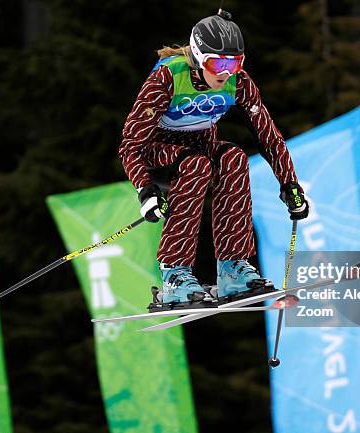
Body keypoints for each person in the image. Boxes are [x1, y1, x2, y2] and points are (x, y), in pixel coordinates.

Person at [118, 10, 309, 309]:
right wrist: (145, 190)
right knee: (196, 164)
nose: (226, 72)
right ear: (198, 56)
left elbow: (268, 136)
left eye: (235, 64)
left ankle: (233, 269)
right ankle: (175, 274)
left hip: (199, 147)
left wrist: (290, 185)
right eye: (218, 63)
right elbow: (131, 143)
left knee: (233, 157)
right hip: (157, 151)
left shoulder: (239, 82)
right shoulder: (168, 77)